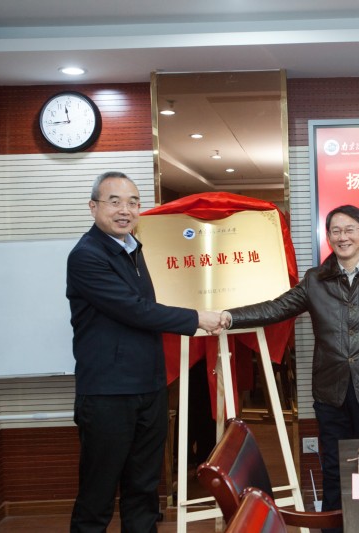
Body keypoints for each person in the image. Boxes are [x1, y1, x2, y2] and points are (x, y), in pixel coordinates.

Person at [222, 204, 359, 527]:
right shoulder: (316, 280)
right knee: (334, 468)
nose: (343, 237)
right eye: (336, 231)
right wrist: (230, 317)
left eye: (350, 230)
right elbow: (276, 308)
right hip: (331, 391)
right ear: (328, 238)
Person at [66, 171, 226, 532]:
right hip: (108, 394)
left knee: (143, 490)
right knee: (97, 496)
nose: (125, 210)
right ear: (93, 207)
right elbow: (135, 310)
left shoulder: (133, 250)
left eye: (133, 202)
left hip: (149, 388)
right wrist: (197, 318)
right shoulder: (87, 256)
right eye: (115, 202)